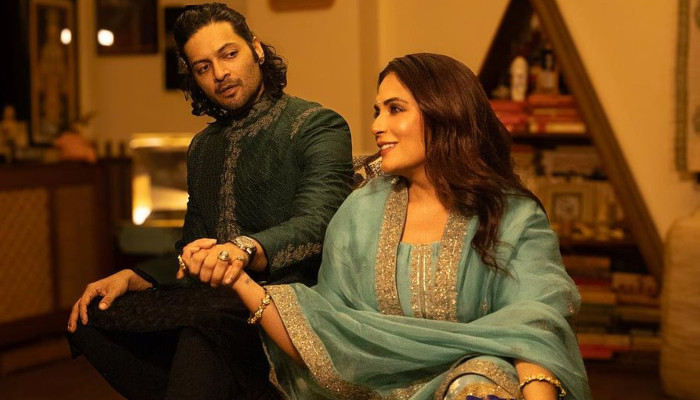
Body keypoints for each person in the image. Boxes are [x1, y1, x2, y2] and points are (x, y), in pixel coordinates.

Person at [210, 53, 592, 399]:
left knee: (478, 381)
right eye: (377, 111)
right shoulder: (360, 212)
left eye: (395, 109)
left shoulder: (509, 213)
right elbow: (329, 336)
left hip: (478, 386)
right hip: (373, 393)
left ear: (444, 112)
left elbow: (535, 323)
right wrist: (238, 278)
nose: (377, 125)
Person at [66, 3, 353, 400]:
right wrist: (138, 277)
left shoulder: (316, 125)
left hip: (285, 300)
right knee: (91, 319)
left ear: (256, 49)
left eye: (229, 54)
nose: (219, 73)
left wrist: (243, 249)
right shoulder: (203, 147)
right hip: (213, 301)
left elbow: (319, 223)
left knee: (205, 328)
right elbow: (191, 246)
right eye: (203, 67)